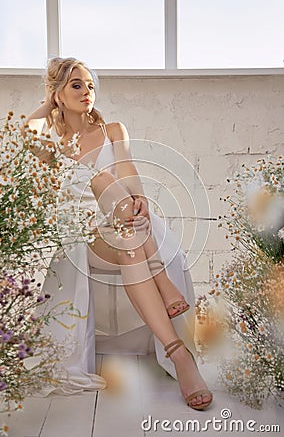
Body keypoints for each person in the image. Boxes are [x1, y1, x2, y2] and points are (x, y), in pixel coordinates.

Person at [25, 57, 212, 410]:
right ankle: (160, 273)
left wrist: (139, 198)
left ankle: (179, 355)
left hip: (128, 230)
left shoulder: (113, 129)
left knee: (128, 232)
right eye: (76, 85)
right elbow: (26, 131)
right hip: (85, 237)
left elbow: (127, 170)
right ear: (58, 94)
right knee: (101, 179)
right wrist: (50, 102)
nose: (87, 92)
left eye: (91, 85)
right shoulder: (53, 145)